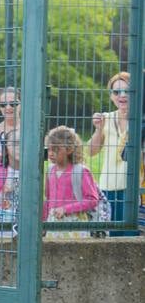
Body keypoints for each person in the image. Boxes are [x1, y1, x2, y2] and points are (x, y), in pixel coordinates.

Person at [89, 72, 133, 235]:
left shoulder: (141, 120)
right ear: (111, 96)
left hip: (133, 189)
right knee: (110, 236)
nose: (122, 95)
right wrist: (98, 130)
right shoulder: (105, 118)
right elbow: (92, 152)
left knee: (132, 237)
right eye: (116, 92)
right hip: (109, 187)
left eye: (127, 91)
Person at [44, 125, 101, 229]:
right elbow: (48, 200)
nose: (50, 153)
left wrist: (66, 209)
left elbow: (92, 200)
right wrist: (43, 223)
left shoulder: (81, 171)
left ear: (69, 149)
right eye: (49, 149)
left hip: (76, 224)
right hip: (52, 224)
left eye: (56, 149)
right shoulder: (50, 171)